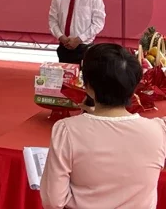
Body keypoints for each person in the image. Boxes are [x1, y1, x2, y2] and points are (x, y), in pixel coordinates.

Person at [40, 44, 166, 209]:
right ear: (134, 85)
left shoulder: (67, 130)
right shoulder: (159, 130)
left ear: (87, 86)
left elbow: (53, 201)